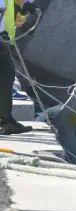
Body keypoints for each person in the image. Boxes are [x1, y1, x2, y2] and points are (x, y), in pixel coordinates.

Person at [0, 0, 38, 135]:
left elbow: (17, 21)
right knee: (5, 76)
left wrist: (24, 8)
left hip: (3, 38)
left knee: (6, 77)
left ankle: (7, 122)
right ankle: (6, 122)